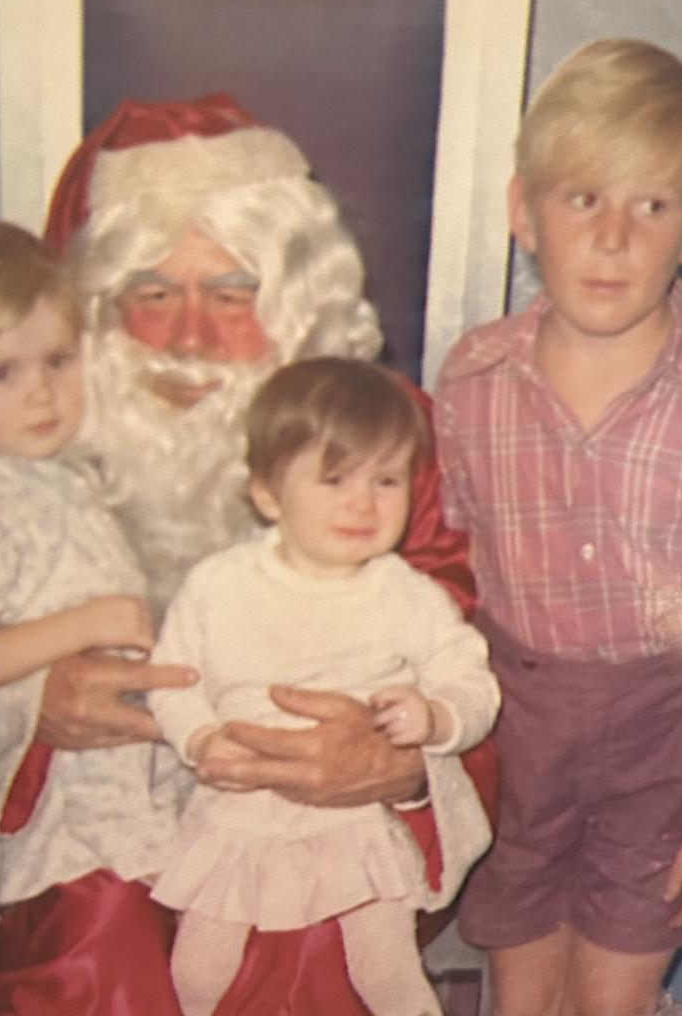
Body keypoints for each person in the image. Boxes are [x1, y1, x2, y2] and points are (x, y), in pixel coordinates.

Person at [0, 95, 499, 1015]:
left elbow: (486, 665)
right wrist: (30, 702)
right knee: (97, 934)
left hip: (315, 830)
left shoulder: (380, 446)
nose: (187, 337)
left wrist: (398, 762)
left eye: (230, 294)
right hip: (102, 835)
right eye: (152, 293)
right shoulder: (31, 426)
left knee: (314, 941)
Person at [434, 38, 682, 1016]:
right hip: (519, 729)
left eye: (650, 207)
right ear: (525, 211)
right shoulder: (473, 379)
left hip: (673, 734)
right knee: (520, 992)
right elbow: (450, 582)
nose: (613, 238)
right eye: (583, 200)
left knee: (610, 995)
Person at [147, 357, 500, 1016]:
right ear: (268, 494)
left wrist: (436, 716)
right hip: (238, 817)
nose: (363, 504)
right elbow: (173, 681)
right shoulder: (218, 585)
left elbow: (470, 678)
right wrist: (198, 737)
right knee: (195, 971)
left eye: (387, 480)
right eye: (334, 479)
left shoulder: (406, 594)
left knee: (386, 970)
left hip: (354, 823)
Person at [0, 220, 176, 918]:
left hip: (123, 802)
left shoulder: (56, 476)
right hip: (64, 824)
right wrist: (83, 625)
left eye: (58, 361)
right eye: (4, 372)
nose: (41, 393)